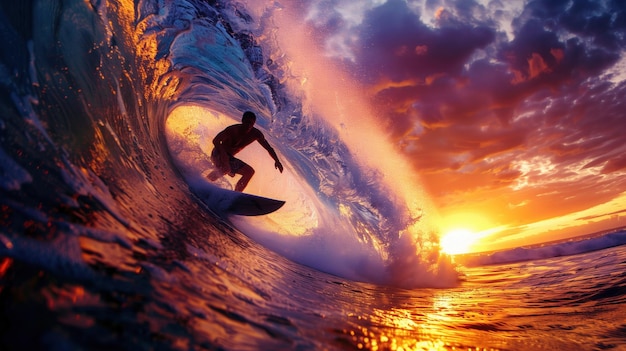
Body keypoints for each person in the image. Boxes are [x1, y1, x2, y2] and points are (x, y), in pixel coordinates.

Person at [207, 111, 283, 192]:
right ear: (242, 120)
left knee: (249, 172)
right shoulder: (232, 130)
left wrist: (277, 161)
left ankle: (235, 195)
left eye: (251, 123)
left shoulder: (256, 134)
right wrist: (223, 155)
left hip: (229, 158)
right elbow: (216, 141)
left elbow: (269, 148)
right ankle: (204, 183)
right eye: (247, 122)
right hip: (218, 153)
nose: (248, 125)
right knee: (226, 168)